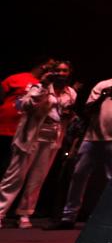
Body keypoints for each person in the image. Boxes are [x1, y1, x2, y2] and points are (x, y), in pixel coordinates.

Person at [53, 57, 112, 229]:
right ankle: (68, 218)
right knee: (78, 176)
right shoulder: (103, 85)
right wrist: (103, 97)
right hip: (93, 137)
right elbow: (87, 110)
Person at [0, 61, 76, 228]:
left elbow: (64, 115)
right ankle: (0, 211)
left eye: (65, 71)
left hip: (52, 138)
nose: (62, 73)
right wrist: (43, 85)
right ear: (51, 72)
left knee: (37, 179)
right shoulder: (38, 87)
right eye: (58, 70)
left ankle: (25, 214)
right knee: (15, 177)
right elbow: (25, 105)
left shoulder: (70, 93)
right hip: (31, 136)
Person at [0, 58, 55, 176]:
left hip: (23, 133)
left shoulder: (47, 87)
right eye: (50, 66)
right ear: (42, 65)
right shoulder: (17, 78)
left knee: (8, 169)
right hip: (3, 127)